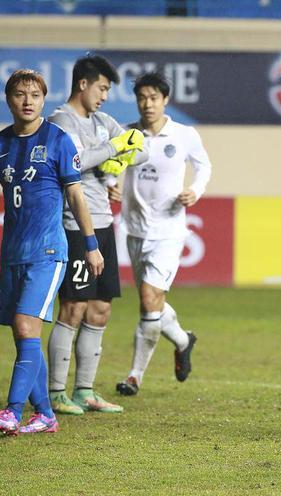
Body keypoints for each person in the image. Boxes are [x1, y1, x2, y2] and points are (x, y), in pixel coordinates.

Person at [0, 69, 103, 435]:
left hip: (48, 250)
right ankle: (45, 414)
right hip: (12, 252)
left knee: (26, 325)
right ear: (9, 99)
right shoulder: (2, 143)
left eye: (35, 95)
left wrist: (91, 245)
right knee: (22, 333)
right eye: (19, 94)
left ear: (43, 100)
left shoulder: (57, 139)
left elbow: (76, 195)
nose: (27, 101)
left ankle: (11, 411)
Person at [46, 54, 147, 415]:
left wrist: (117, 164)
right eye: (102, 88)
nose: (105, 96)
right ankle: (57, 391)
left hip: (105, 223)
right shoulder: (61, 120)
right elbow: (76, 161)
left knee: (101, 308)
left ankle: (85, 390)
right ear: (83, 84)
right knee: (73, 306)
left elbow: (141, 147)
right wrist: (112, 150)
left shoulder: (103, 120)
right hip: (75, 225)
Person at [115, 72, 210, 396]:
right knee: (152, 304)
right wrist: (110, 185)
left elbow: (204, 166)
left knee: (147, 300)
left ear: (165, 99)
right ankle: (183, 340)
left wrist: (195, 190)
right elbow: (112, 167)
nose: (147, 103)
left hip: (169, 231)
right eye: (142, 97)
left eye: (153, 97)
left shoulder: (183, 135)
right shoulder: (128, 133)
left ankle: (134, 376)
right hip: (136, 229)